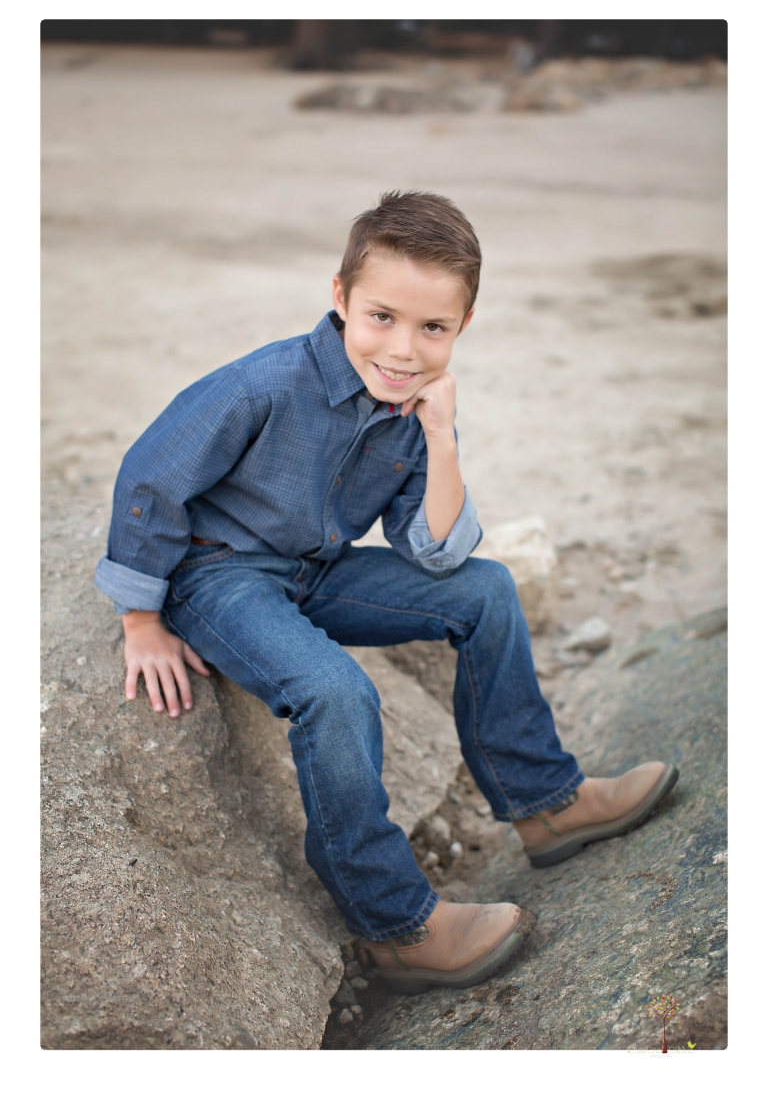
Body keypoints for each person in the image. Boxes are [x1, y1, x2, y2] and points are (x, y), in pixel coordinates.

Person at [95, 190, 678, 994]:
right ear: (339, 300)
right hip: (218, 573)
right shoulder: (262, 384)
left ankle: (544, 800)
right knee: (335, 691)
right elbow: (151, 477)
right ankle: (394, 924)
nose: (404, 349)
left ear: (462, 328)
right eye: (381, 318)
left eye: (432, 328)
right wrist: (140, 619)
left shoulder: (415, 410)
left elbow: (436, 552)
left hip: (319, 570)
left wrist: (439, 435)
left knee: (486, 590)